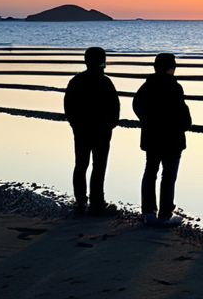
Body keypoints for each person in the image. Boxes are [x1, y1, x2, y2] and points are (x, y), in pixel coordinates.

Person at [133, 53, 192, 226]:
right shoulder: (174, 87)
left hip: (152, 137)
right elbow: (182, 113)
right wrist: (184, 124)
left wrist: (146, 120)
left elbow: (137, 105)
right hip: (172, 138)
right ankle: (165, 212)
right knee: (168, 175)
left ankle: (148, 211)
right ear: (172, 68)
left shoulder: (147, 86)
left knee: (150, 172)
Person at [64, 47, 120, 216]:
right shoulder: (105, 82)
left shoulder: (77, 81)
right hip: (101, 129)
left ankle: (81, 200)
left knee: (81, 164)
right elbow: (115, 106)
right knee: (99, 165)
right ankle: (97, 201)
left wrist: (74, 124)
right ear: (102, 61)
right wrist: (111, 124)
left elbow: (68, 106)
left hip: (82, 129)